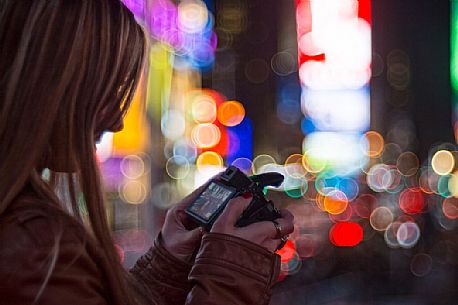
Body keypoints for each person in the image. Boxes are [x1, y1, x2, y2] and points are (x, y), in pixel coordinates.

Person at [0, 1, 294, 305]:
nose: (116, 121)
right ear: (51, 87)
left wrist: (166, 266)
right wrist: (231, 275)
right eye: (106, 91)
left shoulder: (29, 238)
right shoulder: (38, 250)